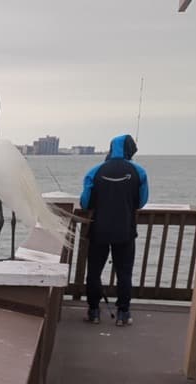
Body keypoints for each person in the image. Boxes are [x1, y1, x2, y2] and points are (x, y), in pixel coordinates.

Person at [80, 134, 149, 326]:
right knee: (124, 273)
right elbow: (142, 202)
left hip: (99, 230)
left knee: (94, 272)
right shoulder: (139, 172)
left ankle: (93, 311)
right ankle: (123, 313)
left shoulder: (95, 171)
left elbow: (85, 202)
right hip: (125, 230)